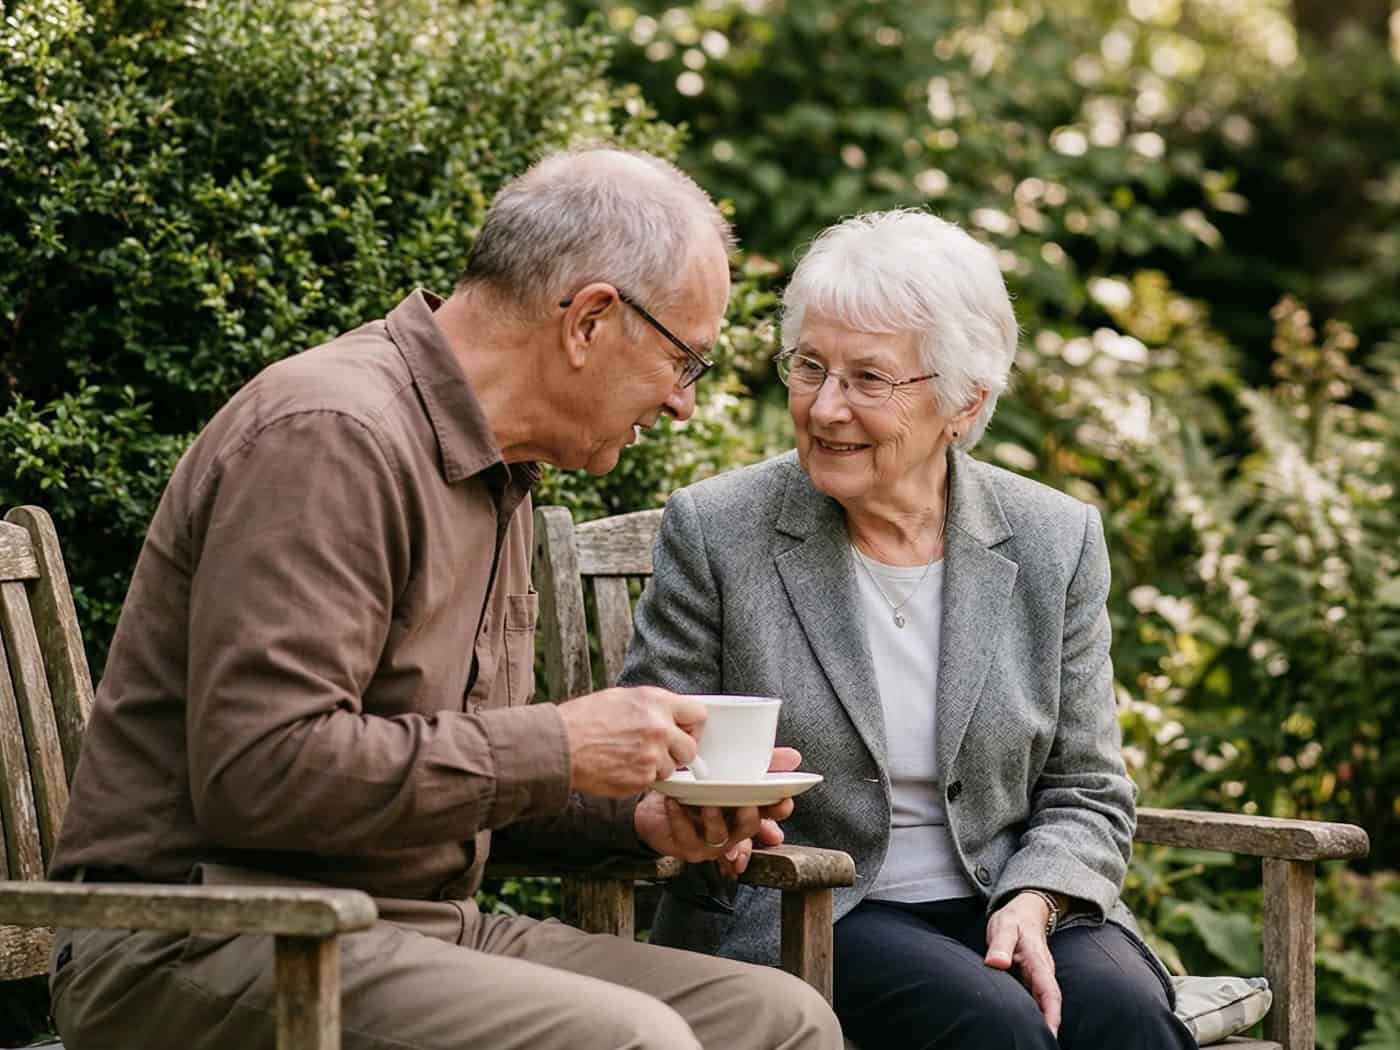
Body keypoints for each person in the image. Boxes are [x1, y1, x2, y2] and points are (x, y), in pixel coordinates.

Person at [46, 147, 843, 1050]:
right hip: (203, 941)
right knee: (632, 1043)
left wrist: (640, 812)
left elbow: (442, 768)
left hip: (413, 929)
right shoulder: (332, 436)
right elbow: (259, 774)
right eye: (683, 360)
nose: (681, 405)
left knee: (778, 1020)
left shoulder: (498, 469)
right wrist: (560, 743)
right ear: (589, 319)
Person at [620, 209, 1197, 1050]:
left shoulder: (1053, 539)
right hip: (815, 905)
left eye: (868, 379)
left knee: (1124, 1016)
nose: (825, 407)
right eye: (810, 366)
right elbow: (649, 746)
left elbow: (1088, 788)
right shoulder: (720, 529)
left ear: (965, 404)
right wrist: (712, 811)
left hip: (1009, 893)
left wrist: (1035, 900)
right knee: (993, 1025)